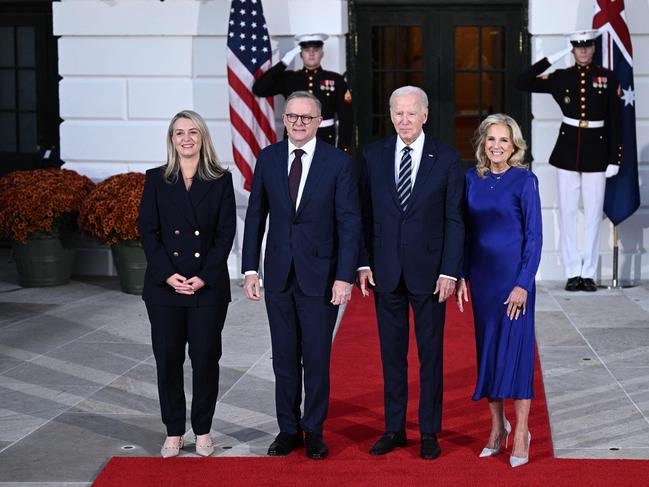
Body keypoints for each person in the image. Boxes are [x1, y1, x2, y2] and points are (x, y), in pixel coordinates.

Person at [241, 91, 360, 459]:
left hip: (321, 278)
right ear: (284, 119)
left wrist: (344, 277)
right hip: (278, 274)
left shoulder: (338, 163)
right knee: (284, 358)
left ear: (319, 121)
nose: (298, 123)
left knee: (316, 359)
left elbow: (349, 223)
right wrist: (249, 268)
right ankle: (288, 430)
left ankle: (314, 430)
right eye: (292, 116)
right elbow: (256, 216)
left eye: (306, 118)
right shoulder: (269, 157)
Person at [357, 86, 465, 460]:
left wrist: (450, 271)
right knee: (392, 355)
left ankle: (430, 432)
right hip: (386, 271)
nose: (404, 120)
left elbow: (455, 218)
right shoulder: (373, 156)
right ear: (390, 115)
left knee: (430, 355)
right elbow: (363, 215)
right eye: (397, 113)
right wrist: (363, 261)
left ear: (425, 115)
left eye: (410, 113)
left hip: (431, 274)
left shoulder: (447, 158)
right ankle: (394, 428)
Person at [139, 110, 236, 458]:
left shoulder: (221, 180)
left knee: (206, 358)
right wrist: (168, 274)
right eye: (179, 133)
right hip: (165, 288)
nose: (186, 138)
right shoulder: (155, 179)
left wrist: (203, 276)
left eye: (193, 132)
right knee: (167, 359)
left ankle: (204, 430)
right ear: (171, 140)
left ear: (202, 138)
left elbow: (226, 234)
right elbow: (148, 232)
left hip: (207, 286)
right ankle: (174, 431)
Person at [456, 114, 542, 468]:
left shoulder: (525, 180)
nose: (496, 146)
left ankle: (521, 431)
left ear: (515, 145)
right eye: (491, 139)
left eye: (503, 140)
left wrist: (523, 282)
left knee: (517, 353)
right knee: (488, 351)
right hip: (482, 280)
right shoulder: (471, 180)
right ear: (482, 143)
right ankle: (497, 429)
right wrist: (461, 274)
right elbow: (462, 231)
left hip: (514, 280)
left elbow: (534, 237)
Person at [516, 30, 622, 292]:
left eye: (587, 47)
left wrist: (615, 157)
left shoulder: (607, 78)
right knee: (568, 213)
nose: (583, 51)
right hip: (567, 151)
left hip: (597, 153)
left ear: (594, 49)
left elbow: (617, 121)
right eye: (577, 47)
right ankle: (573, 272)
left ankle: (589, 273)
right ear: (572, 49)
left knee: (594, 214)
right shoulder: (562, 77)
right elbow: (522, 81)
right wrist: (556, 56)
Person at [252, 33, 353, 153]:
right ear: (301, 54)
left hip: (325, 138)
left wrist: (343, 148)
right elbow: (259, 89)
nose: (311, 53)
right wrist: (283, 62)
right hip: (295, 139)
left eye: (315, 49)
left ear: (322, 53)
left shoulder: (335, 79)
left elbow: (346, 116)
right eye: (306, 50)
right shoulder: (290, 78)